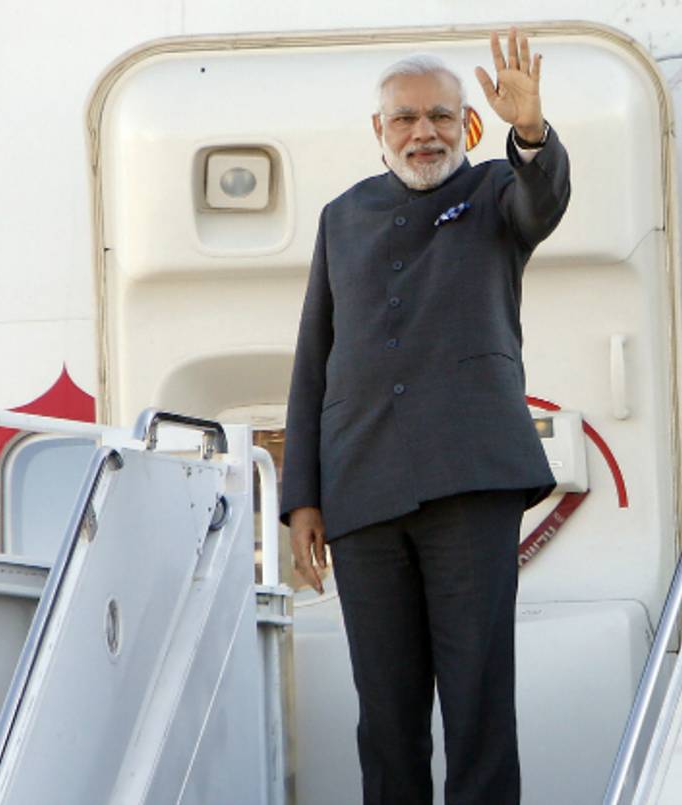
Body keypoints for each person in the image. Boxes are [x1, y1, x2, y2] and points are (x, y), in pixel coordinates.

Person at [280, 28, 570, 805]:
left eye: (441, 116)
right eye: (405, 118)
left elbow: (542, 201)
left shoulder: (493, 196)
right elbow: (315, 362)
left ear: (468, 126)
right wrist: (303, 496)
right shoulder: (342, 217)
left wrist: (532, 133)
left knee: (477, 709)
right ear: (379, 132)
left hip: (469, 485)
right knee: (386, 719)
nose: (424, 132)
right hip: (362, 493)